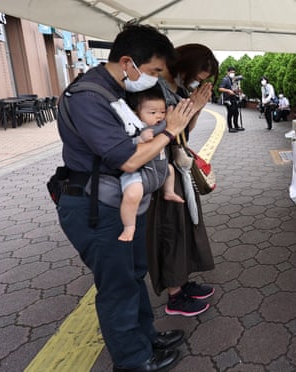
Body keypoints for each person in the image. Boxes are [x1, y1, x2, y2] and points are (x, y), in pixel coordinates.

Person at [56, 24, 198, 372]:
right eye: (151, 72)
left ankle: (145, 338)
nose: (153, 80)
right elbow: (129, 158)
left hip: (119, 204)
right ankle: (133, 361)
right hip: (97, 208)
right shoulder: (88, 96)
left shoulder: (114, 90)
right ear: (126, 62)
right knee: (117, 287)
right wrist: (170, 131)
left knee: (134, 274)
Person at [147, 43, 217, 317]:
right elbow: (153, 131)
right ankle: (174, 295)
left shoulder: (180, 89)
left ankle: (183, 282)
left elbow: (186, 129)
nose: (199, 81)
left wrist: (197, 107)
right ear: (185, 65)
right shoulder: (154, 89)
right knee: (171, 226)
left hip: (179, 163)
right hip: (163, 168)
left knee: (187, 223)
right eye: (198, 74)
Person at [118, 86, 184, 242]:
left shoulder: (162, 126)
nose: (159, 117)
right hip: (139, 173)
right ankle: (129, 226)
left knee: (170, 169)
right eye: (152, 113)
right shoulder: (135, 128)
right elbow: (125, 145)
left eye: (162, 112)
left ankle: (168, 192)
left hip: (159, 169)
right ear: (137, 115)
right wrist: (139, 139)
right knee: (132, 193)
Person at [218, 66, 244, 133]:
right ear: (228, 72)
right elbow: (220, 88)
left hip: (233, 98)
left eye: (234, 72)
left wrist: (237, 91)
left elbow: (233, 89)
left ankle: (236, 126)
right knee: (230, 113)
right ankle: (230, 128)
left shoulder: (232, 80)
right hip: (227, 99)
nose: (233, 73)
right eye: (231, 72)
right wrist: (228, 91)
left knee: (236, 113)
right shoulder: (225, 79)